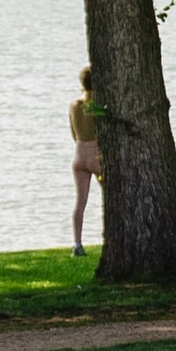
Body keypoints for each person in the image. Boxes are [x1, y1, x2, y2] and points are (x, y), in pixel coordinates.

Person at [70, 67, 105, 253]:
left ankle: (77, 243)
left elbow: (73, 134)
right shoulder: (98, 104)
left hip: (78, 155)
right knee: (111, 196)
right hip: (96, 155)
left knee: (80, 202)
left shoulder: (74, 105)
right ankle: (109, 236)